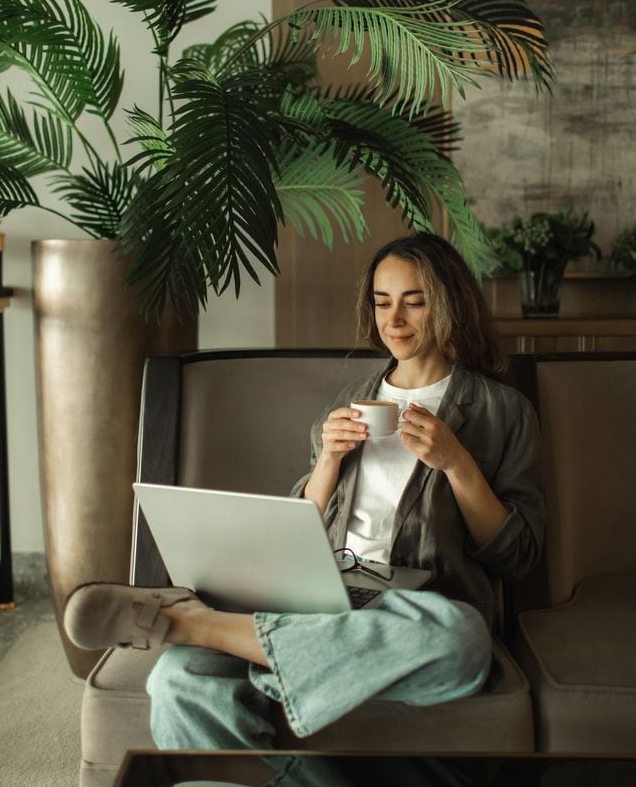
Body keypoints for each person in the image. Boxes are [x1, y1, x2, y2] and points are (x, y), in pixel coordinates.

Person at [64, 232, 545, 749]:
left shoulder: (502, 411)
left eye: (415, 301)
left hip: (420, 607)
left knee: (460, 639)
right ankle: (285, 652)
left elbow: (517, 556)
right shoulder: (349, 405)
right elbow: (293, 533)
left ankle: (202, 627)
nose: (394, 320)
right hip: (324, 595)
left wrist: (457, 464)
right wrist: (329, 462)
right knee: (177, 678)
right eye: (382, 302)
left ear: (449, 304)